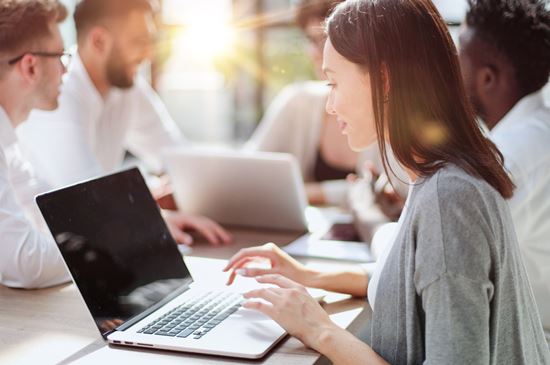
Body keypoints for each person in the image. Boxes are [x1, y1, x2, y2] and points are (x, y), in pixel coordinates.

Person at [224, 0, 550, 363]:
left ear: (384, 79)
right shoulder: (437, 174)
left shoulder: (450, 198)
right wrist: (308, 274)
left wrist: (319, 330)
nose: (330, 105)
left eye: (333, 82)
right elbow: (408, 274)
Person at [17, 0, 231, 246]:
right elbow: (87, 199)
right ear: (98, 41)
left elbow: (176, 155)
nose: (149, 54)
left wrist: (182, 185)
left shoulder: (126, 88)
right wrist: (154, 216)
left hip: (102, 243)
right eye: (139, 41)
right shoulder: (59, 96)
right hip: (51, 254)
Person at [0, 0, 72, 288]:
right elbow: (26, 263)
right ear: (30, 66)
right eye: (61, 56)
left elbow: (53, 214)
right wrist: (107, 253)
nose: (65, 71)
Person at [458, 0, 550, 332]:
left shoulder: (508, 158)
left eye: (459, 60)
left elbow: (444, 257)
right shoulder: (537, 135)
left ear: (487, 77)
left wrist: (372, 223)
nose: (452, 72)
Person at [246, 0, 359, 205]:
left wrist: (305, 193)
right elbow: (248, 174)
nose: (314, 52)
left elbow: (398, 191)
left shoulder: (387, 111)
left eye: (323, 39)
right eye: (310, 39)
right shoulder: (299, 102)